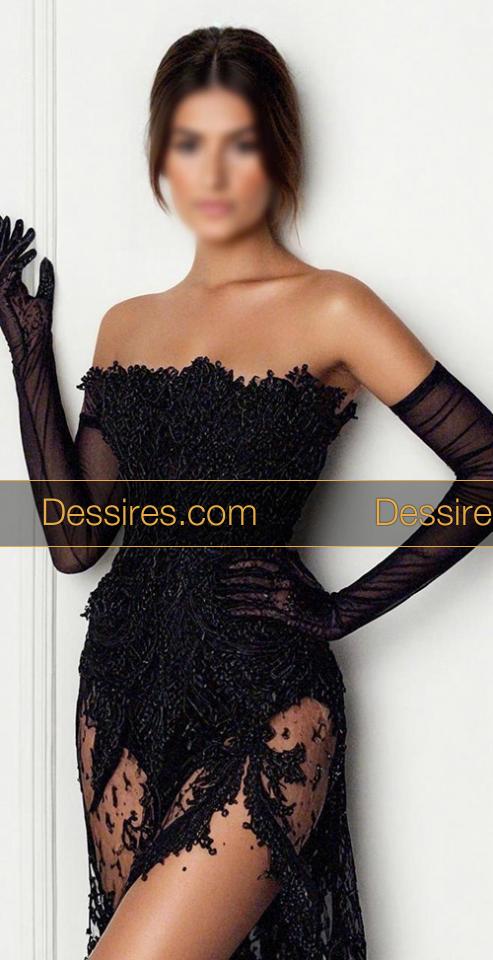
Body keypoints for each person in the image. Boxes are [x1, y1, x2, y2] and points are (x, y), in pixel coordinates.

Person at [1, 24, 492, 960]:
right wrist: (26, 353)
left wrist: (340, 612)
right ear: (161, 155)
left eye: (240, 143)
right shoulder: (125, 325)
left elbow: (486, 467)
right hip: (121, 694)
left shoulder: (334, 306)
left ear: (277, 152)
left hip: (262, 696)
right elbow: (75, 543)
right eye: (190, 143)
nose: (213, 171)